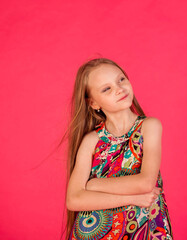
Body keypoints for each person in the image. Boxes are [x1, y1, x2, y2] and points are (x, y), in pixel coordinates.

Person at [64, 58, 173, 240]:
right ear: (93, 104)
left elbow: (145, 183)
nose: (119, 88)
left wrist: (93, 185)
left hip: (145, 228)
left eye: (121, 79)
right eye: (106, 89)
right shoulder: (91, 141)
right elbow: (74, 200)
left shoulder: (149, 126)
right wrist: (132, 198)